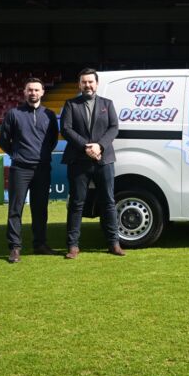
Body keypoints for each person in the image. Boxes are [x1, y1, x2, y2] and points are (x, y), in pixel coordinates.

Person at [60, 68, 125, 258]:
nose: (87, 85)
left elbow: (114, 128)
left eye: (91, 82)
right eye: (84, 82)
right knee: (77, 203)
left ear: (96, 84)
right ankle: (73, 246)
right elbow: (66, 128)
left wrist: (100, 146)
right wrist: (86, 147)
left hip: (104, 159)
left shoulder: (107, 104)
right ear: (79, 85)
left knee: (108, 202)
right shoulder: (70, 104)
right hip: (78, 160)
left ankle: (114, 243)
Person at [0, 77, 60, 263]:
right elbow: (3, 141)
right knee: (15, 209)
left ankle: (40, 244)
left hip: (42, 169)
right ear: (24, 92)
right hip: (20, 168)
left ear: (42, 92)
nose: (33, 93)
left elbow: (52, 141)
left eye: (36, 90)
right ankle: (15, 247)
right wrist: (18, 154)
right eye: (29, 90)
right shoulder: (13, 114)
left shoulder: (49, 114)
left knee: (40, 209)